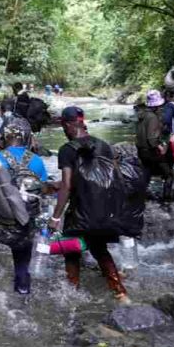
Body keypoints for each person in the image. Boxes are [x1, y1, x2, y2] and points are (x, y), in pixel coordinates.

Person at [48, 107, 129, 301]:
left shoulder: (67, 150)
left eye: (63, 127)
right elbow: (114, 179)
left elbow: (67, 186)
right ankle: (120, 293)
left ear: (68, 125)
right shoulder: (105, 146)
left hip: (80, 212)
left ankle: (71, 293)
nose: (63, 132)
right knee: (100, 249)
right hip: (103, 211)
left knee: (71, 250)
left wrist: (55, 217)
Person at [0, 116, 48, 295]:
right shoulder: (37, 160)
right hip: (25, 219)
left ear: (3, 137)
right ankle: (22, 291)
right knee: (22, 258)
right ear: (27, 137)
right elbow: (42, 189)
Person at [136, 90, 174, 203]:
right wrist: (160, 147)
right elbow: (151, 138)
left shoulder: (142, 115)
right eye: (160, 106)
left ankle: (142, 195)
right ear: (157, 105)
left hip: (141, 151)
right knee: (169, 174)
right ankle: (166, 199)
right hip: (151, 151)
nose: (161, 107)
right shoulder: (152, 117)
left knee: (147, 173)